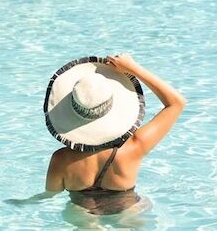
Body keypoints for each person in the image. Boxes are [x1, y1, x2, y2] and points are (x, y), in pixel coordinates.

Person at [38, 54, 185, 216]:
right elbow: (176, 103)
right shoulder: (135, 146)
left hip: (82, 212)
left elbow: (50, 195)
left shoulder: (61, 159)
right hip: (127, 208)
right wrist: (133, 69)